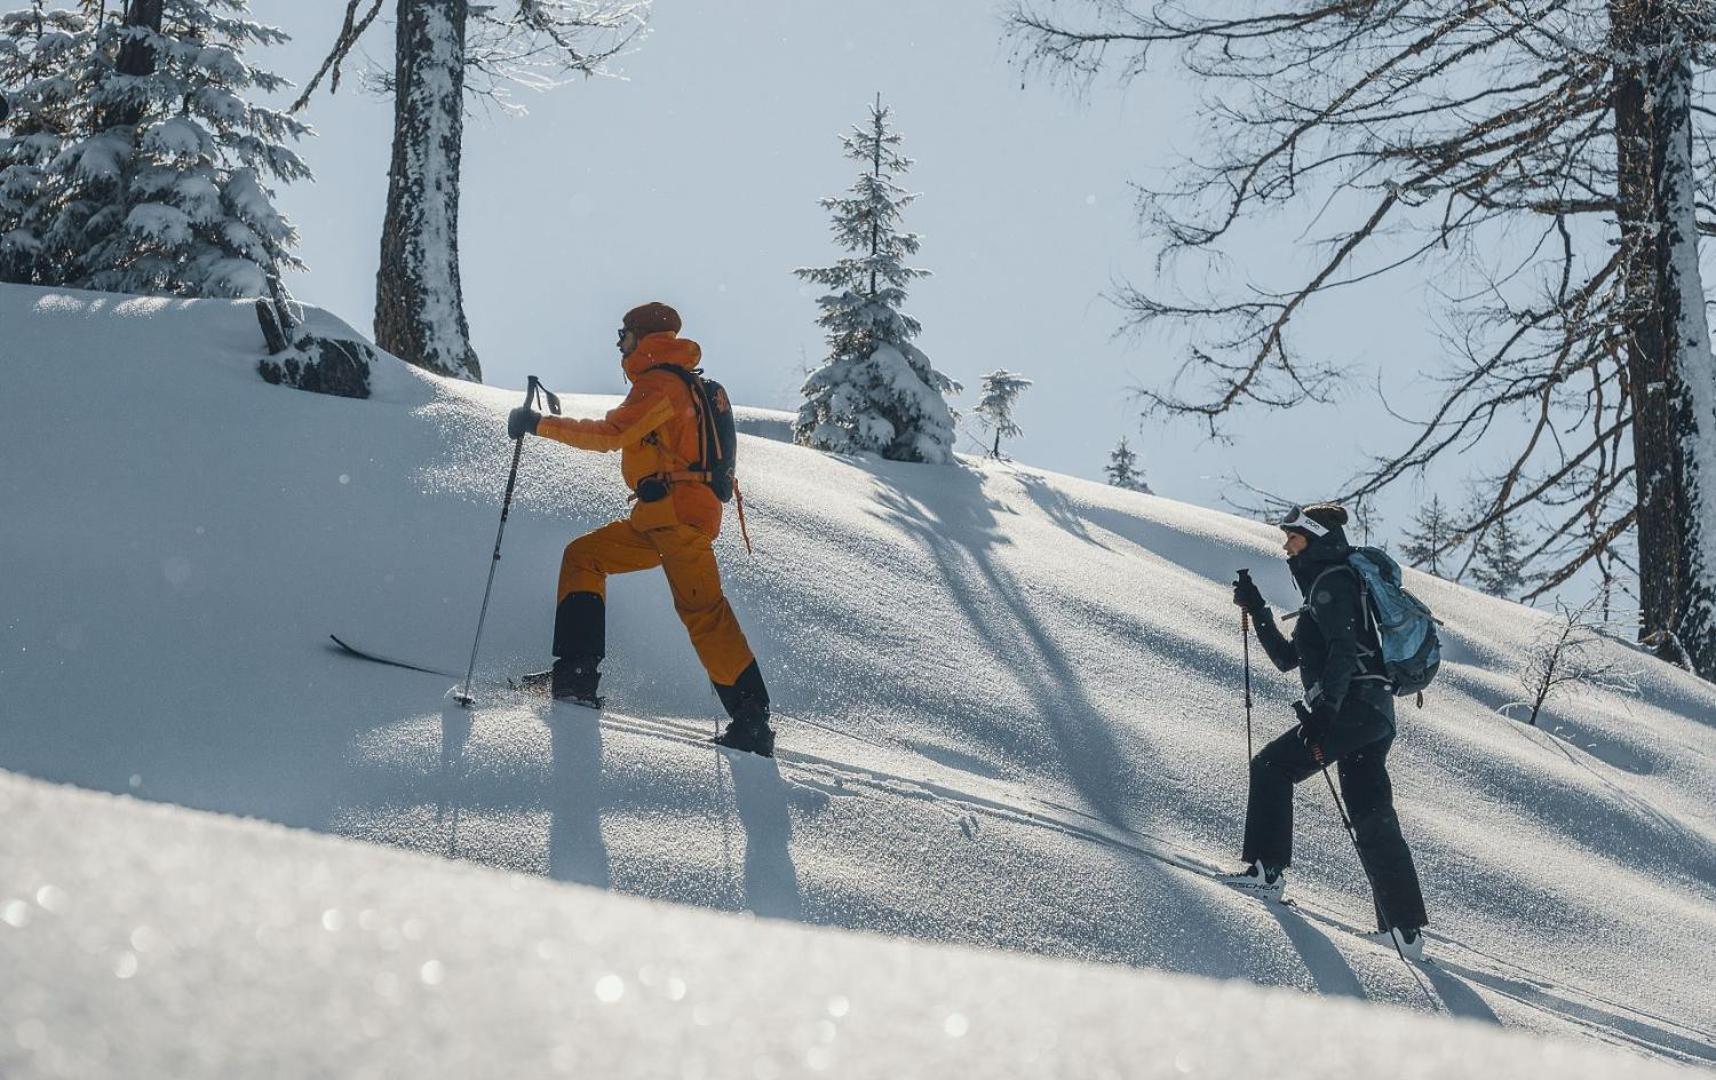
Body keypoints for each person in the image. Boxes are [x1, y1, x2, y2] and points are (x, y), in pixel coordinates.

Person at [508, 302, 775, 757]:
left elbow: (611, 434)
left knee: (703, 612)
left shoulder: (662, 383)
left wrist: (538, 424)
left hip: (676, 518)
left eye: (624, 334)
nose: (619, 343)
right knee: (584, 556)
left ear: (645, 336)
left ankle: (751, 722)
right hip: (660, 520)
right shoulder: (680, 383)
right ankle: (575, 678)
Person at [1224, 502, 1430, 958]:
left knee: (1274, 766)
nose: (1286, 546)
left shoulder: (1332, 583)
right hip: (1375, 716)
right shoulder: (1329, 587)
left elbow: (1341, 651)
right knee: (1371, 815)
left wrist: (1325, 712)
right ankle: (1404, 930)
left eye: (1293, 538)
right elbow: (1286, 657)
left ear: (1314, 538)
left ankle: (1265, 872)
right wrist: (1258, 608)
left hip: (1351, 710)